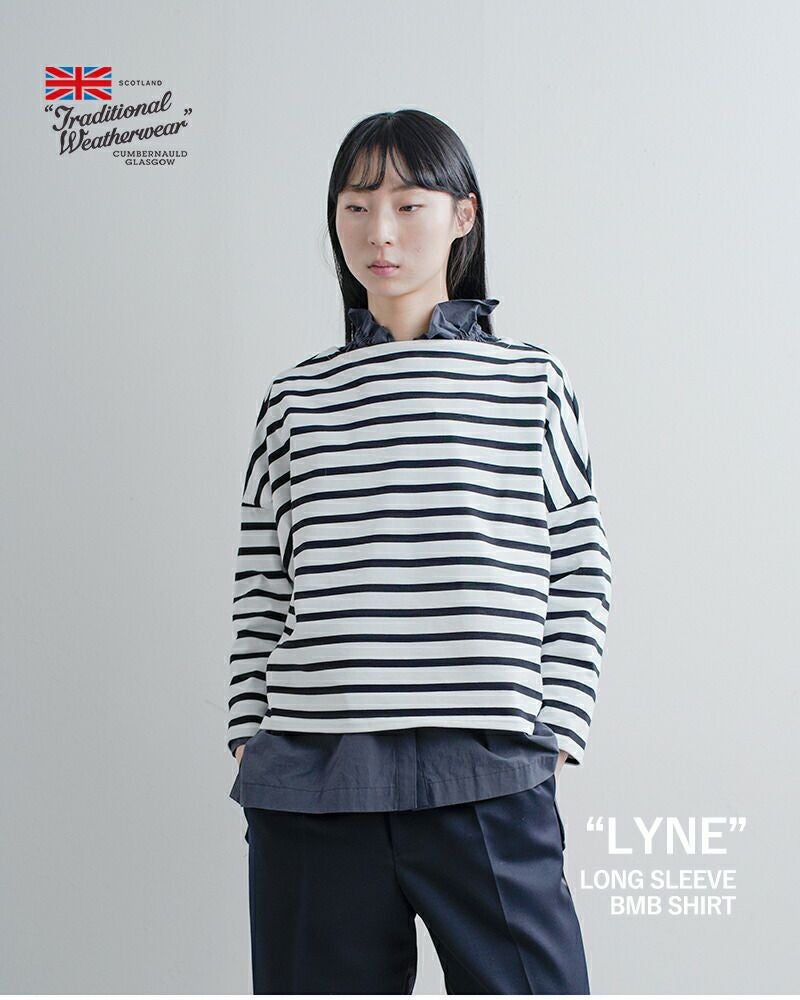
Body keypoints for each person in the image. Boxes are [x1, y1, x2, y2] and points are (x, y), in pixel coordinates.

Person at [226, 108, 612, 995]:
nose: (381, 232)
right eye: (357, 206)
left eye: (408, 204)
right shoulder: (296, 399)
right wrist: (248, 732)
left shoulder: (529, 382)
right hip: (313, 783)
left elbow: (580, 566)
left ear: (462, 215)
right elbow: (262, 584)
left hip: (489, 770)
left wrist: (557, 729)